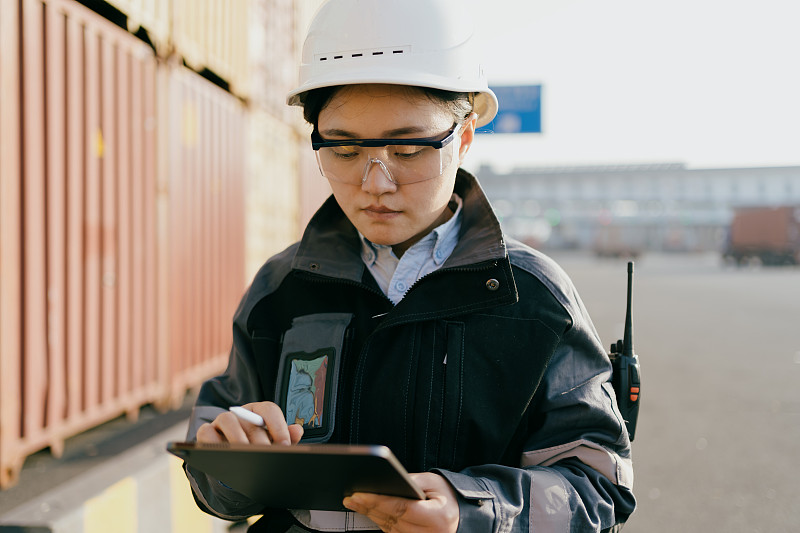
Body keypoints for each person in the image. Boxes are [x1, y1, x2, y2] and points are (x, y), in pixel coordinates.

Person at [183, 0, 637, 531]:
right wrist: (225, 463)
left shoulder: (531, 298)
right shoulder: (281, 290)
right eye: (346, 150)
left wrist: (469, 510)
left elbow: (598, 488)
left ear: (464, 137)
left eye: (409, 148)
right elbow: (216, 479)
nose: (376, 183)